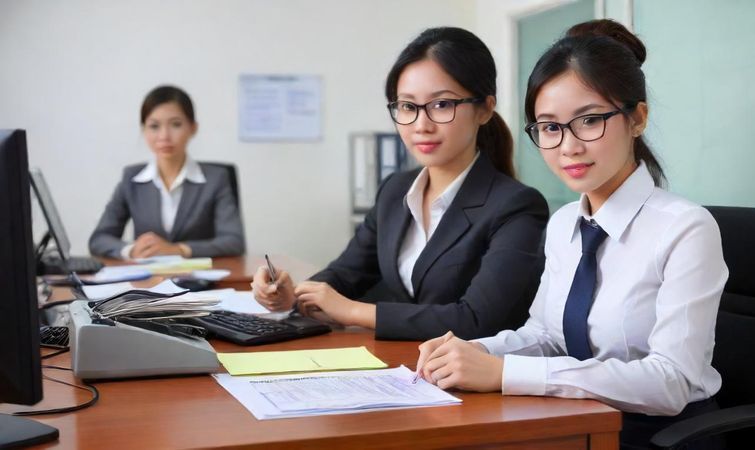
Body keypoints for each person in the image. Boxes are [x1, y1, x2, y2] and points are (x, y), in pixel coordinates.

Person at [414, 20, 728, 449]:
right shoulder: (564, 222)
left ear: (637, 118)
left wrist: (505, 373)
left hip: (656, 436)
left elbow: (671, 382)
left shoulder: (684, 229)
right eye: (549, 127)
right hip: (574, 422)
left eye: (589, 120)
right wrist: (475, 352)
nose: (568, 147)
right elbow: (545, 336)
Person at [252, 27, 549, 341]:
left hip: (474, 380)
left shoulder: (516, 206)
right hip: (402, 369)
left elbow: (477, 320)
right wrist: (293, 295)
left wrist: (353, 312)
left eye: (442, 105)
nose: (421, 125)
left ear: (485, 109)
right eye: (407, 107)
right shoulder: (396, 190)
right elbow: (346, 273)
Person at [89, 85, 245, 259]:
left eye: (176, 124)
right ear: (144, 130)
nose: (164, 136)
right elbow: (99, 239)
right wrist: (131, 250)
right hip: (147, 282)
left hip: (200, 282)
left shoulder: (216, 178)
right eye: (154, 126)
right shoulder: (131, 178)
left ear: (193, 128)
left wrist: (179, 249)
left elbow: (233, 241)